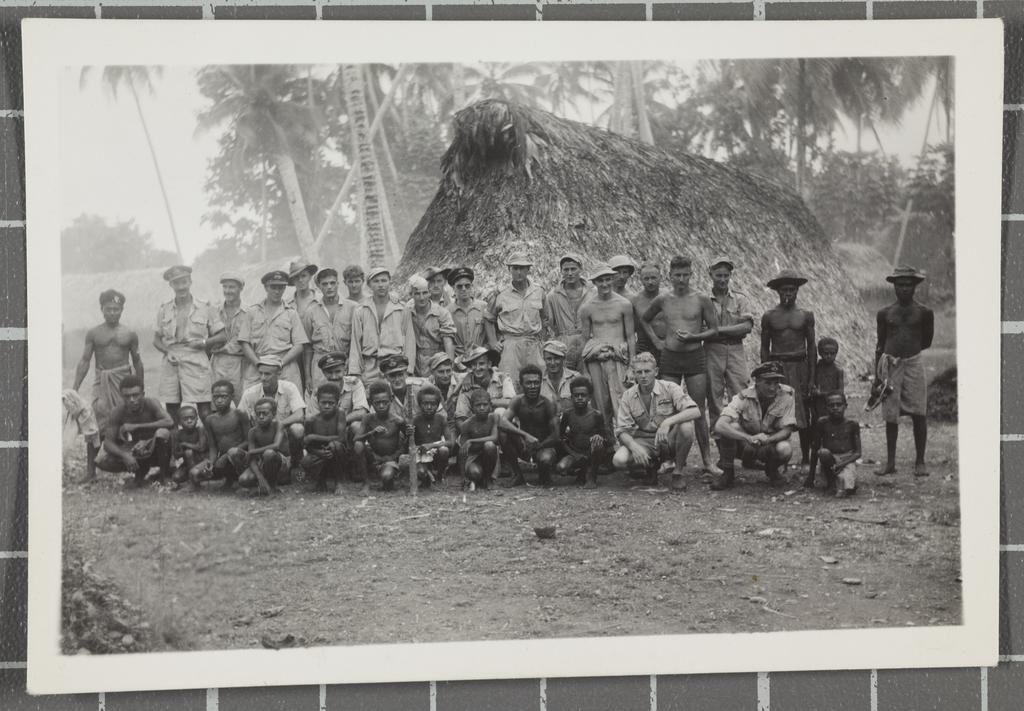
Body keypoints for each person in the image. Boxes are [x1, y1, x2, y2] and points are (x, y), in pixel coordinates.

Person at [642, 255, 720, 476]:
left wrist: (695, 337)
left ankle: (707, 460)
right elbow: (645, 319)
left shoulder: (701, 298)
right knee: (667, 408)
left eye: (686, 275)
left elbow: (714, 329)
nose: (682, 279)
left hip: (695, 357)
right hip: (670, 358)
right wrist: (657, 342)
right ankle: (669, 459)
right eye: (677, 275)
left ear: (691, 275)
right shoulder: (663, 299)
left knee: (698, 408)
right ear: (670, 275)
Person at [73, 289, 144, 480]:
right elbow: (85, 360)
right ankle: (90, 472)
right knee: (95, 422)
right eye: (109, 309)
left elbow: (137, 361)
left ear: (122, 310)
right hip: (102, 380)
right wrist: (75, 387)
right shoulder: (94, 333)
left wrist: (141, 387)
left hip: (124, 381)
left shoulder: (129, 333)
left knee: (127, 420)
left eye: (116, 309)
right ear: (102, 309)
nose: (113, 313)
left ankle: (135, 467)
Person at [873, 265, 935, 477]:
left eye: (908, 285)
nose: (904, 289)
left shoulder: (924, 313)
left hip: (914, 363)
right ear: (894, 287)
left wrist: (909, 352)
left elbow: (926, 341)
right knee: (891, 414)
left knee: (919, 412)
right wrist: (877, 377)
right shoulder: (885, 313)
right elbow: (880, 344)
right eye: (900, 285)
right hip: (890, 365)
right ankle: (890, 462)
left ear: (915, 287)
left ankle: (920, 461)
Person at [612, 352, 700, 491]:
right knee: (619, 460)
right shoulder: (628, 396)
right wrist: (635, 448)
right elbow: (622, 430)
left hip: (668, 438)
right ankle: (650, 466)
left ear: (656, 371)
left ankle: (677, 472)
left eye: (647, 371)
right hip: (645, 440)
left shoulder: (670, 388)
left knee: (686, 427)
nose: (643, 376)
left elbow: (695, 411)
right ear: (634, 374)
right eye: (639, 372)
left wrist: (667, 422)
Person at [153, 265, 226, 422]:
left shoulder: (205, 306)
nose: (181, 287)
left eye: (183, 282)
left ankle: (210, 446)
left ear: (190, 282)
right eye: (176, 283)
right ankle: (175, 445)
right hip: (171, 361)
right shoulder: (164, 309)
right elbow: (156, 339)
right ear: (171, 285)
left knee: (205, 410)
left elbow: (222, 336)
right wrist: (167, 352)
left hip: (196, 358)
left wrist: (204, 342)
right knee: (172, 409)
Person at [760, 269, 816, 471]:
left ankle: (806, 458)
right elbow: (765, 347)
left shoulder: (805, 315)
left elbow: (812, 348)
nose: (788, 294)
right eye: (784, 290)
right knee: (776, 413)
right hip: (778, 368)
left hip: (799, 367)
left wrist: (811, 378)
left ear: (797, 291)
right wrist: (765, 373)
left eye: (792, 290)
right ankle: (778, 459)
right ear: (777, 291)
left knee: (802, 415)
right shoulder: (769, 316)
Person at [711, 361, 797, 490]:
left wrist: (768, 439)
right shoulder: (744, 396)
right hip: (746, 444)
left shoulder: (787, 395)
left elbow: (787, 430)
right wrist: (748, 438)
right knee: (730, 428)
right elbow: (720, 425)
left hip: (770, 442)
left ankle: (772, 470)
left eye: (776, 383)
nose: (773, 388)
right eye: (767, 383)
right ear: (757, 382)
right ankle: (727, 473)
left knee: (785, 449)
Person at [703, 258, 755, 456]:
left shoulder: (740, 299)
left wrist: (717, 330)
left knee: (741, 395)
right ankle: (723, 453)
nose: (723, 279)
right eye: (719, 275)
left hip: (735, 350)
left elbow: (747, 326)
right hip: (712, 351)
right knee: (714, 398)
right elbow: (701, 329)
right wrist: (729, 330)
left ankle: (743, 448)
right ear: (711, 274)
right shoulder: (704, 300)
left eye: (726, 275)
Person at [93, 375, 174, 488]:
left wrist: (137, 426)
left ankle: (164, 476)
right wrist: (124, 455)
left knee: (163, 434)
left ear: (143, 394)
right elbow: (108, 443)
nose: (132, 400)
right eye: (127, 396)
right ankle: (140, 474)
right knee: (102, 461)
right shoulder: (118, 411)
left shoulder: (151, 403)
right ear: (122, 396)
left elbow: (169, 422)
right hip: (137, 449)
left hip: (156, 448)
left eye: (135, 395)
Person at [580, 264, 634, 431]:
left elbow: (631, 336)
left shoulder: (624, 304)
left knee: (621, 401)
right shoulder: (587, 307)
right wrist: (584, 370)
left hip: (618, 359)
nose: (604, 284)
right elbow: (584, 338)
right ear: (594, 282)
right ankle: (606, 446)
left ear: (613, 279)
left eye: (608, 279)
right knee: (600, 404)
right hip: (596, 359)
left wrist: (632, 365)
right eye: (600, 280)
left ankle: (626, 443)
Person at [237, 356, 306, 483]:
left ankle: (296, 465)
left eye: (267, 374)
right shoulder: (250, 393)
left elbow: (299, 415)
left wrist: (276, 426)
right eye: (261, 373)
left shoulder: (289, 388)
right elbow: (240, 418)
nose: (263, 378)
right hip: (260, 439)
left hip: (283, 439)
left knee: (298, 428)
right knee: (245, 480)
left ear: (279, 373)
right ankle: (258, 473)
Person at [238, 270, 309, 391]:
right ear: (266, 287)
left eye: (281, 287)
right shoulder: (252, 312)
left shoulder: (291, 313)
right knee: (252, 403)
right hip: (258, 366)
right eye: (273, 287)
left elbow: (299, 344)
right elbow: (244, 342)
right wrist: (258, 364)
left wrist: (280, 363)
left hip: (284, 367)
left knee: (289, 404)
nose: (277, 291)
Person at [485, 253, 546, 388]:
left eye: (522, 268)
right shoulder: (500, 294)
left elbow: (545, 317)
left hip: (533, 344)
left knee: (536, 384)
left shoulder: (539, 291)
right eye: (515, 268)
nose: (519, 272)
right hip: (510, 345)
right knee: (509, 384)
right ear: (509, 270)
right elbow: (489, 318)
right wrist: (493, 342)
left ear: (528, 269)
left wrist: (543, 340)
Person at [349, 266, 416, 383]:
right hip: (369, 366)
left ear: (389, 282)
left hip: (395, 364)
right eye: (376, 281)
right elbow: (355, 342)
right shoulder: (361, 309)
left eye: (384, 280)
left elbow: (409, 340)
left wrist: (409, 369)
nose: (380, 285)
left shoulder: (401, 308)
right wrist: (355, 372)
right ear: (369, 285)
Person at [303, 267, 360, 404]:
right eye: (325, 284)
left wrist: (353, 369)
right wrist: (308, 377)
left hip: (344, 364)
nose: (329, 287)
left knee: (346, 402)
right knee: (321, 402)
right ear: (318, 286)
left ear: (338, 284)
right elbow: (307, 347)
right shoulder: (311, 312)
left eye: (332, 283)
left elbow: (357, 343)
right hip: (320, 366)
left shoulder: (353, 307)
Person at [500, 364, 560, 486]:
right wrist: (525, 436)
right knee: (503, 433)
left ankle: (545, 476)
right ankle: (517, 475)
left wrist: (538, 445)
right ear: (521, 384)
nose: (533, 386)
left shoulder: (548, 403)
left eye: (536, 383)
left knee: (545, 460)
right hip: (525, 445)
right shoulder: (517, 401)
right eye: (528, 383)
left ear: (540, 384)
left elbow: (556, 435)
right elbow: (502, 422)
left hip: (544, 446)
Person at [556, 375, 613, 488]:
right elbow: (560, 438)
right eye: (576, 395)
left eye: (583, 395)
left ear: (589, 397)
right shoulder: (568, 414)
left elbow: (608, 439)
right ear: (571, 397)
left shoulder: (596, 415)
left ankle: (592, 475)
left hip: (591, 453)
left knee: (597, 442)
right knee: (561, 467)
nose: (580, 398)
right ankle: (581, 472)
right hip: (575, 452)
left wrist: (599, 438)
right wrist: (574, 454)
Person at [353, 380, 409, 493]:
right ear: (371, 403)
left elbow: (409, 441)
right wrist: (372, 433)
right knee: (358, 445)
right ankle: (366, 483)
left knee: (387, 477)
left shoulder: (397, 420)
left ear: (391, 400)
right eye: (377, 403)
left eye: (385, 402)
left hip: (390, 458)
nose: (381, 406)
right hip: (373, 458)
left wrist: (395, 456)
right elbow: (356, 439)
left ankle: (390, 473)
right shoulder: (368, 418)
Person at [543, 253, 595, 371]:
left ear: (580, 269)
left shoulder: (592, 292)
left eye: (573, 269)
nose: (570, 273)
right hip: (564, 343)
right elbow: (549, 323)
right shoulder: (553, 296)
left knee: (589, 379)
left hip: (588, 342)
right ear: (561, 271)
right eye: (566, 270)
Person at [808, 391, 860, 497]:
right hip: (829, 460)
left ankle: (846, 483)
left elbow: (858, 453)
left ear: (845, 406)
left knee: (846, 488)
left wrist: (841, 464)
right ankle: (831, 483)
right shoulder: (822, 423)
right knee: (823, 452)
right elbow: (815, 449)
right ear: (826, 407)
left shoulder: (852, 424)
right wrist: (811, 476)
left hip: (846, 460)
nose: (835, 408)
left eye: (839, 405)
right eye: (831, 405)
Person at [302, 383, 349, 494]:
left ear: (337, 403)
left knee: (335, 445)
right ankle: (320, 481)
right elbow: (306, 445)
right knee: (305, 461)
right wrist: (318, 452)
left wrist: (314, 437)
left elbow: (341, 438)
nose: (327, 406)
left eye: (331, 403)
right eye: (324, 403)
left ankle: (339, 482)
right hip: (320, 455)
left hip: (337, 454)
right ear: (318, 403)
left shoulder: (340, 414)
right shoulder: (311, 420)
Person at [452, 345, 516, 427]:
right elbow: (460, 416)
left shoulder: (502, 379)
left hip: (502, 427)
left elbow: (513, 403)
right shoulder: (467, 384)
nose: (477, 368)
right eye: (474, 365)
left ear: (489, 364)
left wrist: (490, 402)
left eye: (481, 364)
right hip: (478, 428)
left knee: (500, 411)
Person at [210, 272, 248, 405]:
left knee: (241, 402)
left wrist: (225, 347)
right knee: (217, 402)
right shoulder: (214, 310)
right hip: (217, 363)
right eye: (225, 287)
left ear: (240, 288)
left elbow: (246, 340)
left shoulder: (249, 312)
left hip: (239, 364)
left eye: (232, 287)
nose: (227, 291)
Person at [204, 380, 249, 489]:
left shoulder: (239, 414)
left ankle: (242, 480)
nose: (219, 400)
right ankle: (229, 480)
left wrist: (226, 455)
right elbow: (212, 446)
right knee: (196, 473)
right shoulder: (210, 419)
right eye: (215, 397)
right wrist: (211, 461)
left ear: (232, 396)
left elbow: (249, 441)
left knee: (233, 453)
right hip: (223, 458)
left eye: (224, 397)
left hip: (241, 456)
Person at [408, 274, 457, 377]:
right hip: (415, 361)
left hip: (436, 361)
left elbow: (448, 342)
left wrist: (449, 367)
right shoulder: (408, 312)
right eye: (417, 294)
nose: (422, 298)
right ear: (411, 295)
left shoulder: (442, 313)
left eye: (425, 293)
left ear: (430, 293)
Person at [240, 398, 288, 496]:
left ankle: (272, 485)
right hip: (262, 462)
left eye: (265, 413)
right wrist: (259, 477)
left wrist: (252, 451)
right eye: (258, 414)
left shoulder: (278, 425)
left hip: (281, 463)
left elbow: (276, 445)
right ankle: (262, 484)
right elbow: (252, 459)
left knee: (269, 453)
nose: (261, 417)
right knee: (243, 479)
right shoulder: (253, 432)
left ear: (273, 413)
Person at [409, 384, 452, 485]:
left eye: (433, 404)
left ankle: (439, 475)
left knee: (444, 450)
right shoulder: (415, 420)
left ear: (437, 405)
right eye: (425, 404)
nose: (429, 407)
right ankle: (427, 474)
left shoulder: (441, 419)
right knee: (421, 473)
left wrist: (431, 446)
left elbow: (450, 442)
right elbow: (409, 444)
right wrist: (409, 434)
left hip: (436, 452)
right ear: (420, 405)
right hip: (421, 454)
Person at [309, 351, 369, 424]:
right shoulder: (318, 390)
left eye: (337, 372)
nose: (334, 377)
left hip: (348, 424)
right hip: (326, 427)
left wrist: (341, 421)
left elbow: (362, 412)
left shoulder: (354, 383)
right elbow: (313, 417)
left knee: (357, 425)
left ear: (345, 370)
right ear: (324, 373)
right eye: (330, 372)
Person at [458, 388, 500, 490]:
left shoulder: (494, 417)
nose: (482, 408)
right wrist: (463, 477)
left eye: (485, 405)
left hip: (490, 456)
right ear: (472, 408)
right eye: (478, 405)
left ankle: (488, 479)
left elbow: (494, 438)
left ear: (490, 405)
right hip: (474, 457)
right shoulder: (466, 425)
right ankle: (475, 478)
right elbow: (462, 453)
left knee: (489, 445)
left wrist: (472, 441)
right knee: (475, 473)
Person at [446, 266, 489, 364]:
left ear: (472, 286)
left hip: (481, 358)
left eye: (467, 286)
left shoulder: (483, 307)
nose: (464, 289)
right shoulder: (447, 312)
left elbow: (492, 334)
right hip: (459, 361)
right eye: (459, 286)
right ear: (453, 288)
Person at [809, 337, 846, 450]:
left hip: (832, 405)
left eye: (832, 353)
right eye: (826, 353)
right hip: (818, 405)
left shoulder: (838, 370)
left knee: (832, 428)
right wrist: (814, 392)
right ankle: (816, 453)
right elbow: (812, 386)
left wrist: (822, 393)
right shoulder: (816, 368)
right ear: (820, 353)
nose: (829, 356)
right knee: (816, 429)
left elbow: (840, 392)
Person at [631, 263, 667, 361]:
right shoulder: (635, 301)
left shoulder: (669, 297)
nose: (650, 282)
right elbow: (630, 330)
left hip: (666, 345)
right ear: (641, 280)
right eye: (646, 279)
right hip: (644, 348)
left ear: (661, 277)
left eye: (653, 278)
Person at [170, 404, 210, 489]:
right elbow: (176, 455)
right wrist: (181, 450)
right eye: (185, 419)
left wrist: (185, 445)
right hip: (187, 464)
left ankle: (194, 483)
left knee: (189, 452)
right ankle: (190, 477)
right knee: (176, 477)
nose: (189, 421)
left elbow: (201, 447)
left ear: (197, 418)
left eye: (192, 418)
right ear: (179, 422)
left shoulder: (200, 430)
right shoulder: (178, 434)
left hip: (202, 462)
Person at [540, 340, 580, 414]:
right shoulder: (539, 381)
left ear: (563, 359)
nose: (552, 363)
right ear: (544, 360)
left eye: (556, 358)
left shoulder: (575, 378)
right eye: (549, 359)